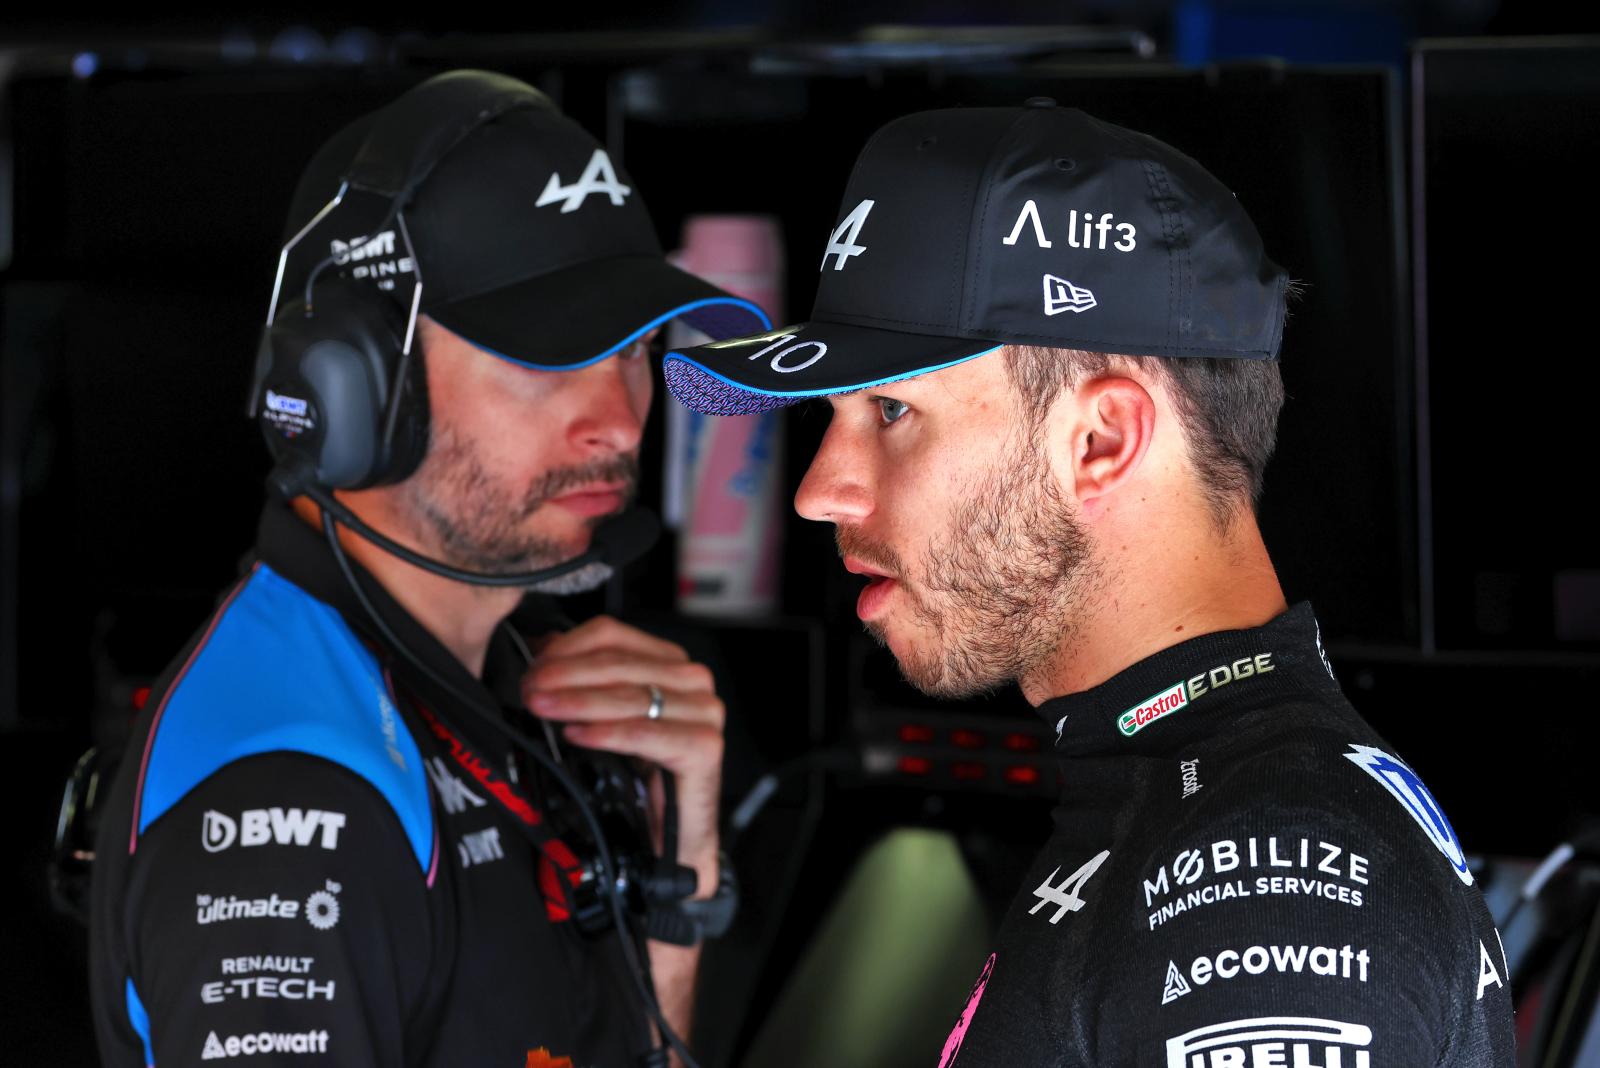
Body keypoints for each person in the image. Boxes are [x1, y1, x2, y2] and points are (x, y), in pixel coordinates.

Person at [664, 100, 1516, 1066]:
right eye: (832, 417)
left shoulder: (1264, 882)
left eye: (892, 411)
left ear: (1102, 440)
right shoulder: (1194, 799)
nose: (820, 491)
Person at [89, 70, 766, 1067]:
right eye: (547, 358)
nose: (620, 424)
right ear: (357, 389)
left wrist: (675, 883)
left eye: (635, 349)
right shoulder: (294, 801)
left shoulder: (501, 690)